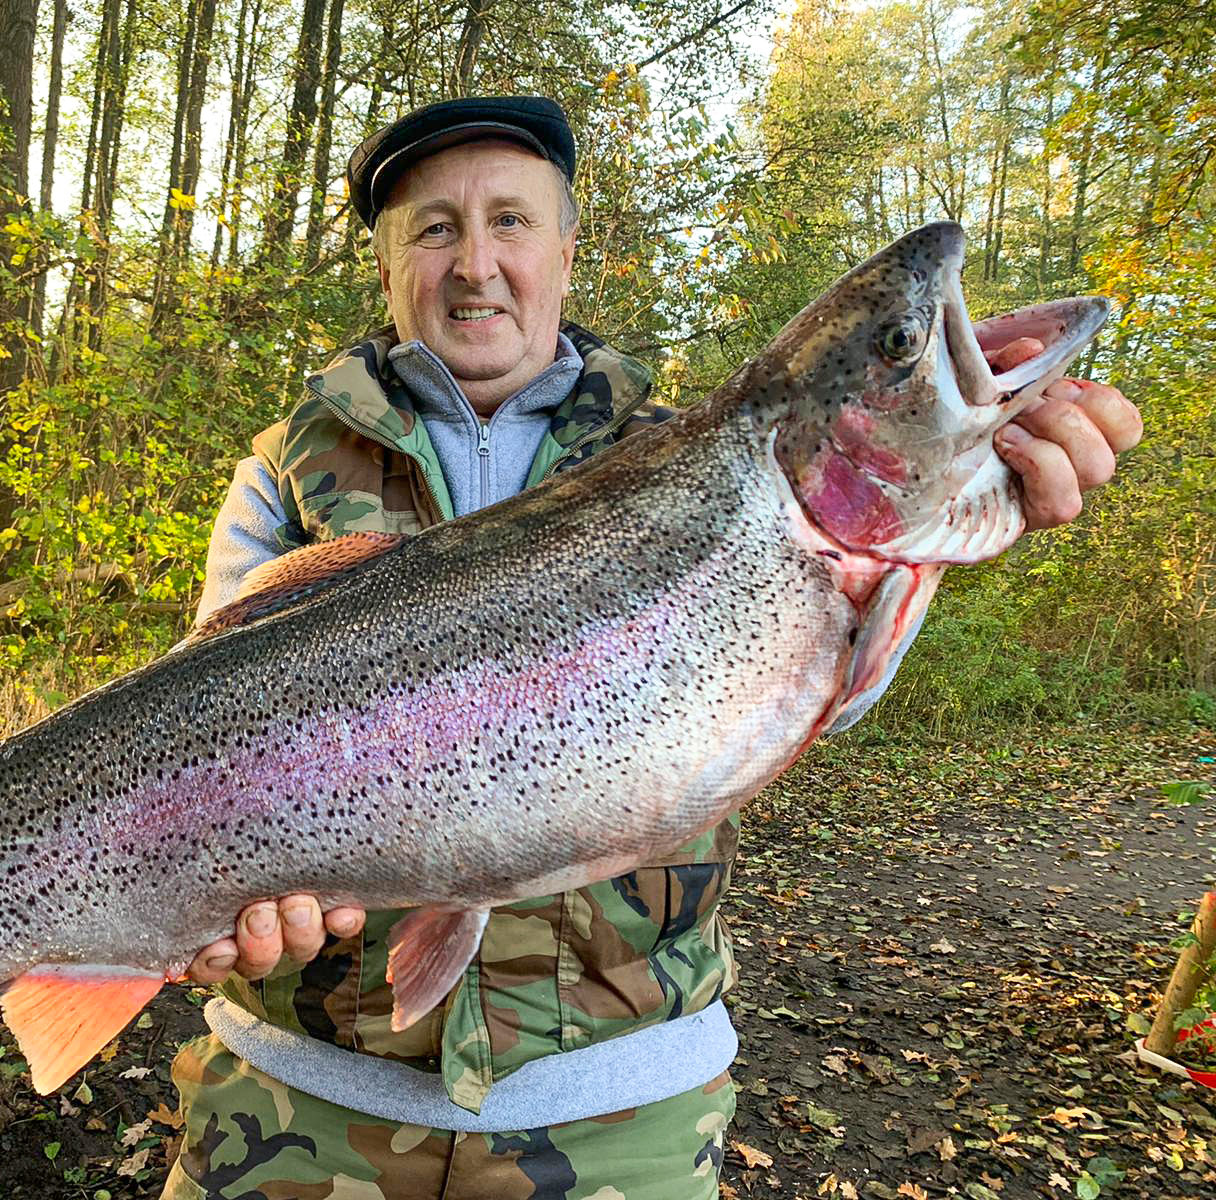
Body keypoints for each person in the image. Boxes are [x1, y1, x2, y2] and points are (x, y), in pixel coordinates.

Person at [160, 97, 1143, 1199]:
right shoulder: (283, 467)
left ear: (567, 251)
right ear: (387, 266)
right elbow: (191, 741)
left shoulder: (684, 455)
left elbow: (832, 699)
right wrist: (216, 899)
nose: (476, 263)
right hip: (289, 1107)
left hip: (625, 1122)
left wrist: (958, 501)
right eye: (434, 229)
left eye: (511, 221)